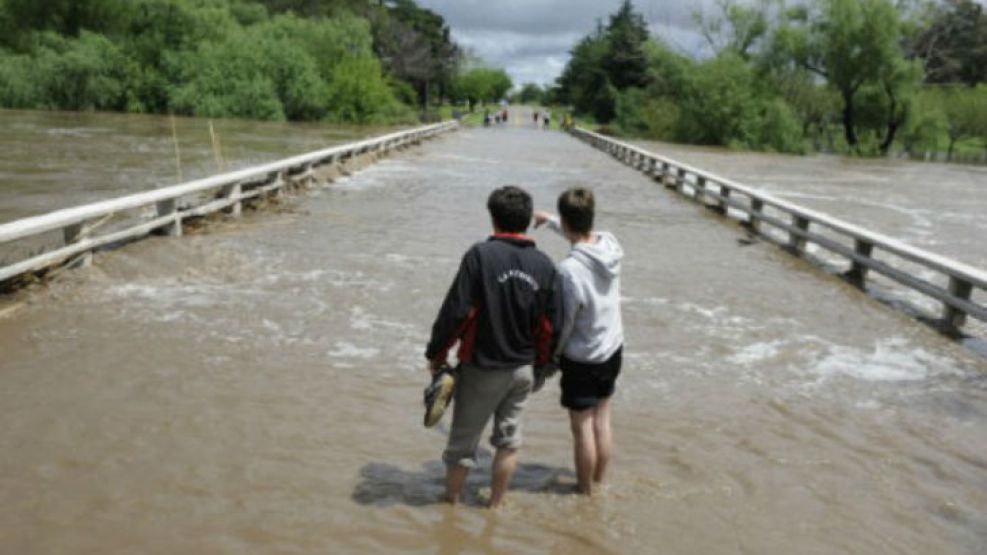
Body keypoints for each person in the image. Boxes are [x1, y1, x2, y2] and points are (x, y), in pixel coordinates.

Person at [425, 186, 559, 508]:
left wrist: (437, 354)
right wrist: (541, 368)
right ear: (528, 221)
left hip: (482, 368)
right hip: (522, 370)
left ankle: (449, 507)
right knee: (508, 444)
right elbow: (549, 326)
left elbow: (457, 311)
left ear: (493, 218)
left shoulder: (480, 256)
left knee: (461, 446)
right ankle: (496, 508)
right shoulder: (545, 265)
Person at [534, 187, 623, 496]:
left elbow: (566, 321)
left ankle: (585, 493)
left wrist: (551, 359)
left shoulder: (569, 271)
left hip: (583, 357)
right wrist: (552, 220)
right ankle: (601, 482)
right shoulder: (610, 244)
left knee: (581, 427)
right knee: (603, 419)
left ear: (567, 223)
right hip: (612, 348)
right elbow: (583, 235)